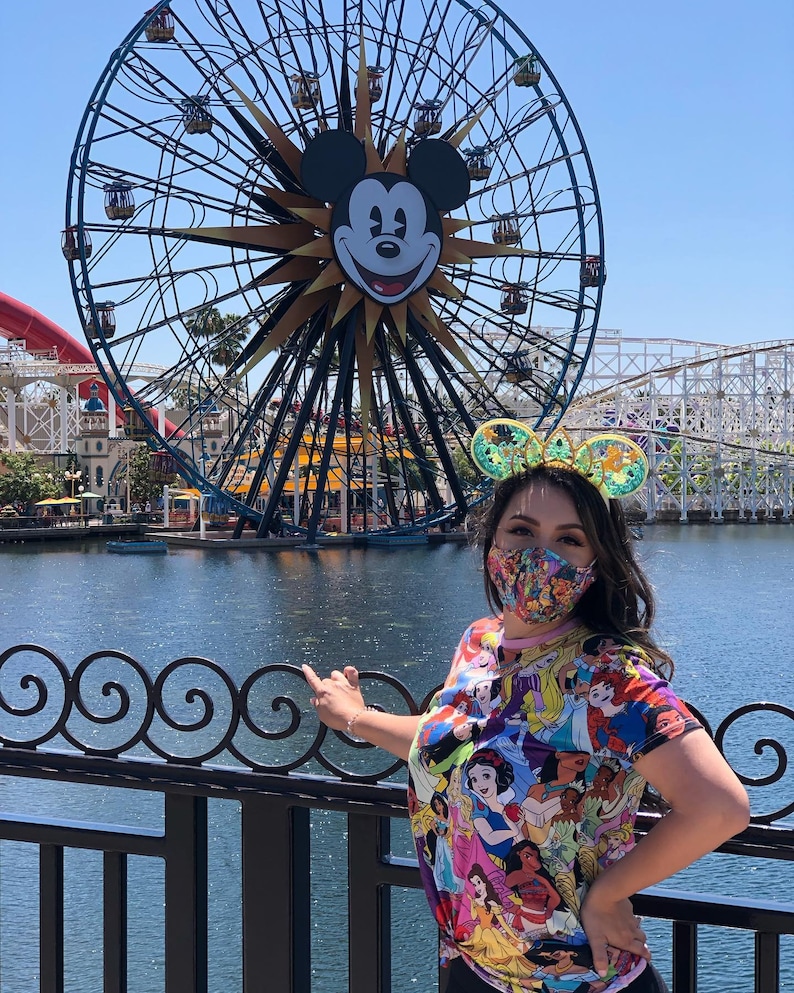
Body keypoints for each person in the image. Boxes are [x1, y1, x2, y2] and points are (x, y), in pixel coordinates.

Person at [303, 420, 750, 993]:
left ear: (597, 561)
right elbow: (458, 738)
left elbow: (720, 807)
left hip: (578, 979)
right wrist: (353, 719)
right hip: (473, 963)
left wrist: (609, 893)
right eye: (522, 531)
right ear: (492, 542)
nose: (542, 556)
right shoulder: (479, 644)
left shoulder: (606, 676)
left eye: (569, 539)